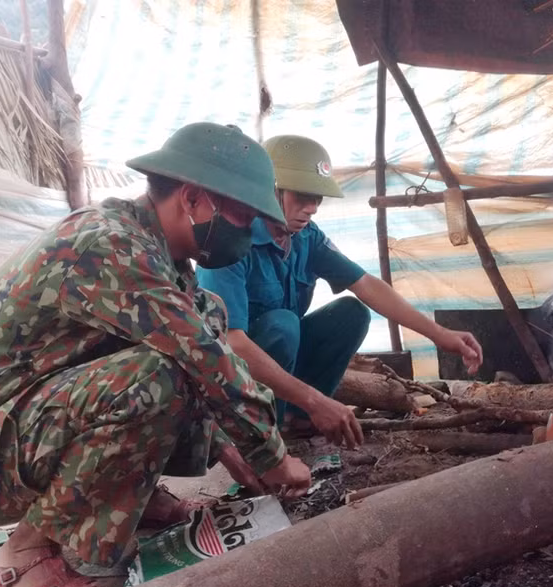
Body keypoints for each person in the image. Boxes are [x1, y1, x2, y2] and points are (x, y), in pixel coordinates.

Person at [0, 123, 311, 587]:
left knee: (206, 314)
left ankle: (133, 501)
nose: (250, 229)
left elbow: (204, 337)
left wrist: (230, 449)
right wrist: (271, 456)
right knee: (159, 374)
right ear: (192, 199)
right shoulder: (106, 245)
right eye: (243, 213)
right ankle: (29, 547)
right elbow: (204, 359)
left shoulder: (163, 260)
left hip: (21, 433)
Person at [196, 135, 483, 448]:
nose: (312, 208)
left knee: (351, 314)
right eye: (303, 196)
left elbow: (366, 285)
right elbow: (231, 343)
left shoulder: (306, 238)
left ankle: (299, 420)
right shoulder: (230, 241)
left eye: (318, 198)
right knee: (283, 324)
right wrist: (316, 399)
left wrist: (440, 334)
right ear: (270, 188)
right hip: (229, 377)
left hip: (281, 367)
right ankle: (261, 437)